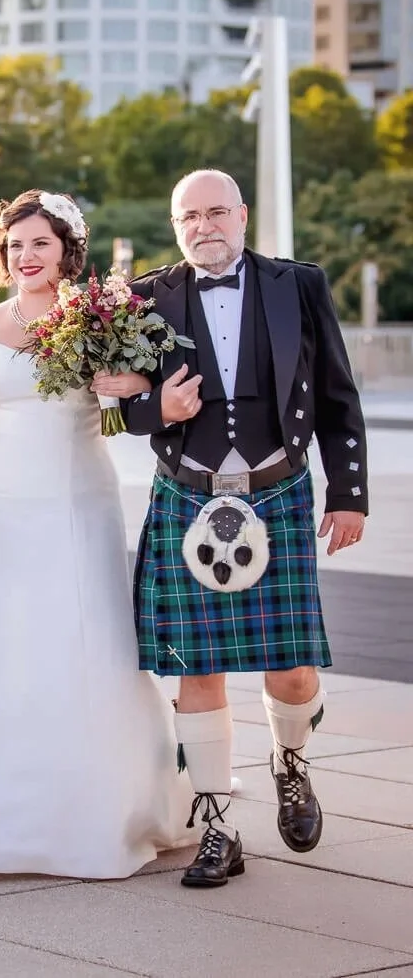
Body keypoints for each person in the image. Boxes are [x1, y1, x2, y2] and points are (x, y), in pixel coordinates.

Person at [0, 189, 193, 880]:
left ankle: (97, 812)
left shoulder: (100, 319)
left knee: (82, 639)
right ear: (1, 255)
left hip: (78, 499)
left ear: (66, 252)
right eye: (15, 245)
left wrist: (104, 369)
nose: (26, 256)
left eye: (40, 244)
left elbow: (133, 386)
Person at [93, 169, 368, 888]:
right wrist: (162, 413)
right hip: (187, 493)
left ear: (243, 215)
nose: (205, 225)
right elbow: (108, 411)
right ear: (175, 222)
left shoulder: (297, 284)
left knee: (291, 667)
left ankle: (291, 763)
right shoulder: (143, 297)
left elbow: (338, 392)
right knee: (196, 669)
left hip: (277, 488)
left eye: (218, 211)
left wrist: (350, 494)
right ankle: (217, 827)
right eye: (191, 215)